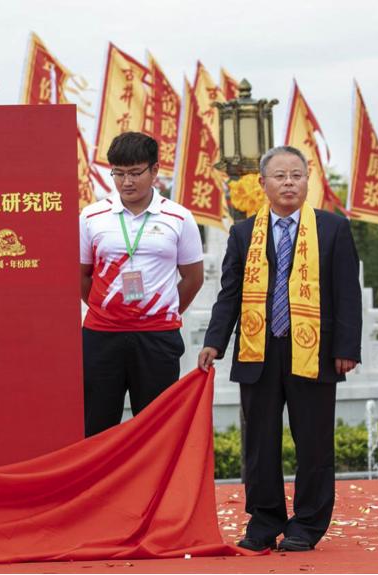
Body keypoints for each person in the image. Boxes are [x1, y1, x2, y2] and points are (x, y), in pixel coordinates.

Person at [198, 146, 362, 553]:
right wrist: (215, 341)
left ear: (308, 181)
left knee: (314, 441)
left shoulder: (332, 229)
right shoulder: (242, 233)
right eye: (280, 176)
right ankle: (264, 520)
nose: (289, 183)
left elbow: (346, 293)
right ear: (263, 184)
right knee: (259, 443)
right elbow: (229, 294)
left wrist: (347, 347)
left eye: (296, 175)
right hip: (259, 351)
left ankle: (307, 524)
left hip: (316, 351)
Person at [79, 131, 204, 437]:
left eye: (135, 173)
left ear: (154, 170)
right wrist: (107, 309)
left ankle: (153, 487)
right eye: (118, 174)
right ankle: (101, 486)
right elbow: (81, 275)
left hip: (157, 338)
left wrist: (161, 311)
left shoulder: (179, 217)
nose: (127, 182)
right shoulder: (92, 216)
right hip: (102, 336)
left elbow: (193, 278)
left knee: (156, 428)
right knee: (96, 423)